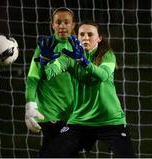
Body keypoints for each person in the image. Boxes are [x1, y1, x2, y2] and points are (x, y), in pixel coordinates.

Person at [41, 21, 136, 158]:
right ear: (77, 37)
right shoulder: (69, 57)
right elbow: (47, 74)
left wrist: (83, 61)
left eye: (90, 34)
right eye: (82, 34)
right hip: (80, 121)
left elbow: (102, 75)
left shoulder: (107, 55)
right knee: (50, 154)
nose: (85, 37)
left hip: (110, 120)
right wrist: (44, 61)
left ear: (99, 38)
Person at [25, 7, 76, 156]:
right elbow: (33, 78)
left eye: (66, 22)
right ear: (52, 25)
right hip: (51, 112)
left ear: (73, 25)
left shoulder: (78, 47)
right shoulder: (44, 46)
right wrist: (30, 104)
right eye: (58, 22)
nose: (62, 26)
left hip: (73, 113)